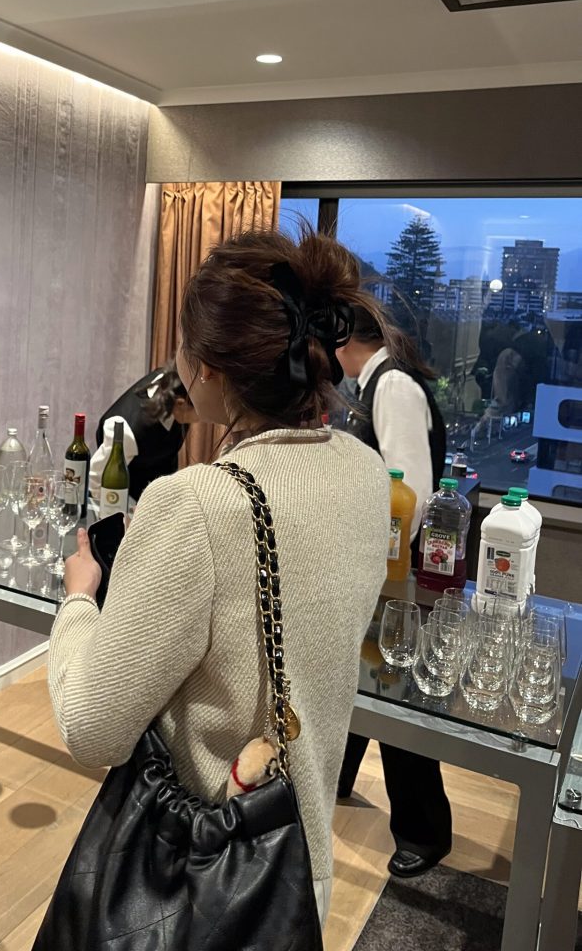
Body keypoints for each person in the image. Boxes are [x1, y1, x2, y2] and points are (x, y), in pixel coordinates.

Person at [47, 228, 390, 925]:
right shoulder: (367, 472)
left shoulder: (200, 503)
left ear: (207, 369)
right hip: (296, 872)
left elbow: (92, 729)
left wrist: (80, 601)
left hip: (202, 885)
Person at [335, 303, 452, 878]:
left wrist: (375, 564)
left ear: (341, 340)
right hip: (379, 566)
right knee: (359, 677)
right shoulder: (374, 385)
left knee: (394, 687)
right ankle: (336, 775)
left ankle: (425, 831)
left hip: (393, 573)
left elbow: (413, 495)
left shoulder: (393, 387)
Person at [89, 360, 196, 502]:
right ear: (180, 404)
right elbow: (95, 483)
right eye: (199, 411)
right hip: (128, 503)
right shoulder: (127, 432)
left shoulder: (177, 388)